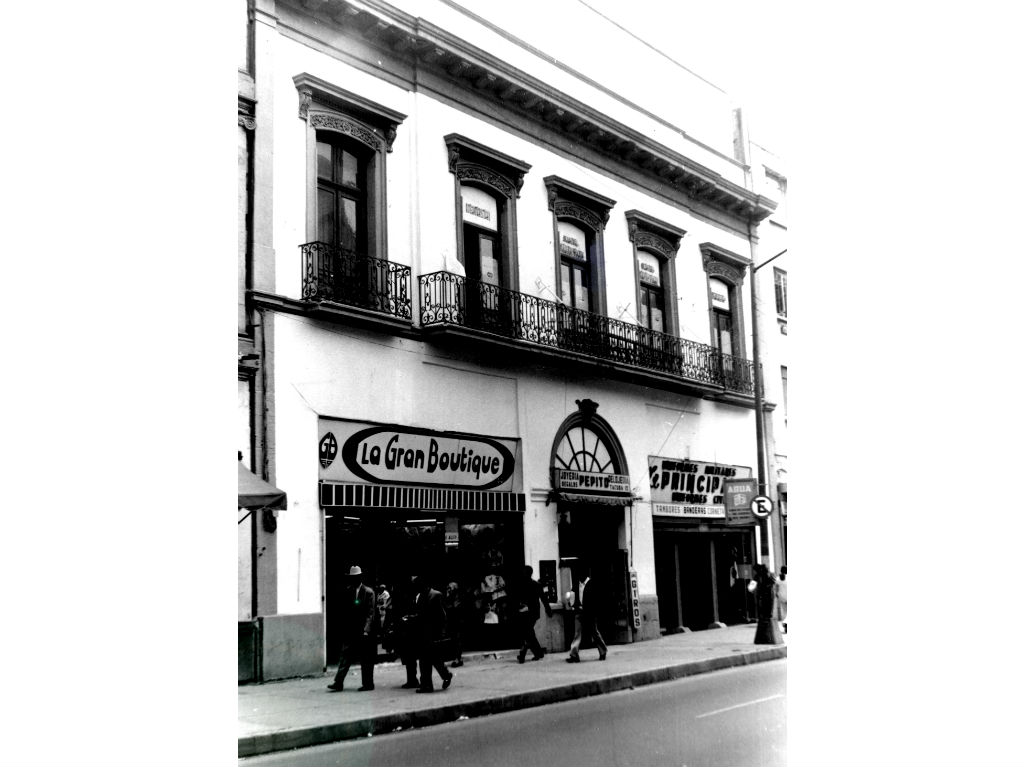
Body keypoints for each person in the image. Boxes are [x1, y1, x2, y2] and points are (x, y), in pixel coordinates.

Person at [327, 565, 377, 692]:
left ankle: (368, 684)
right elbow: (345, 611)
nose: (353, 580)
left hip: (363, 631)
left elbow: (370, 613)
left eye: (356, 577)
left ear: (360, 577)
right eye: (352, 577)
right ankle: (338, 682)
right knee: (345, 656)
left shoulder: (368, 592)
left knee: (366, 658)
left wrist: (366, 629)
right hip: (351, 630)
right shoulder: (348, 591)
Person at [412, 574, 454, 693]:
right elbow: (419, 615)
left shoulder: (436, 595)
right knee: (431, 659)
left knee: (428, 659)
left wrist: (442, 632)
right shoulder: (420, 596)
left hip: (434, 633)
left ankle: (427, 685)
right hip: (423, 632)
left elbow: (442, 616)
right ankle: (439, 678)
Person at [566, 563, 607, 663]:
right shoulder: (576, 584)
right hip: (579, 611)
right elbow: (572, 595)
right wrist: (573, 604)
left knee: (594, 632)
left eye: (580, 574)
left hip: (590, 612)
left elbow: (597, 600)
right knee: (577, 633)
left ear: (585, 574)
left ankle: (603, 651)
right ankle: (574, 654)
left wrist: (594, 612)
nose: (579, 576)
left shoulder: (592, 584)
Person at [515, 565, 553, 663]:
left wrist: (548, 609)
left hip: (529, 612)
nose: (523, 574)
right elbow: (543, 598)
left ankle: (523, 654)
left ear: (527, 573)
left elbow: (543, 598)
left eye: (524, 572)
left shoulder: (529, 585)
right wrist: (548, 609)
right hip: (530, 612)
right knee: (529, 633)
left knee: (528, 633)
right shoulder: (533, 584)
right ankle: (538, 653)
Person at [444, 581, 464, 667]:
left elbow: (454, 608)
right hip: (451, 621)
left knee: (457, 640)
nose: (448, 589)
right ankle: (456, 658)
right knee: (453, 640)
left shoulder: (458, 597)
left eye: (450, 588)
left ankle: (458, 658)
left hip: (457, 621)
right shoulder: (449, 597)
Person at [775, 566, 788, 634]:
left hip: (781, 597)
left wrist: (777, 594)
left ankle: (787, 626)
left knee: (786, 611)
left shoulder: (777, 578)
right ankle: (785, 622)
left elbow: (776, 588)